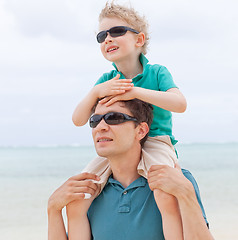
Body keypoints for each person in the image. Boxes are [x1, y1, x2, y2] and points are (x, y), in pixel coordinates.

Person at [71, 3, 187, 238]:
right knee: (80, 194)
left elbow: (180, 103)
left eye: (116, 32)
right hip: (119, 145)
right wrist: (95, 93)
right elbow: (78, 119)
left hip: (156, 141)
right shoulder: (106, 79)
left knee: (165, 192)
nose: (107, 39)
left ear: (139, 39)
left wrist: (136, 92)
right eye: (101, 36)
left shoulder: (157, 73)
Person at [47, 99, 213, 240]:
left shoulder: (175, 181)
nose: (101, 127)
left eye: (114, 118)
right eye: (95, 120)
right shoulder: (89, 191)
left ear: (141, 130)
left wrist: (186, 194)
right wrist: (53, 209)